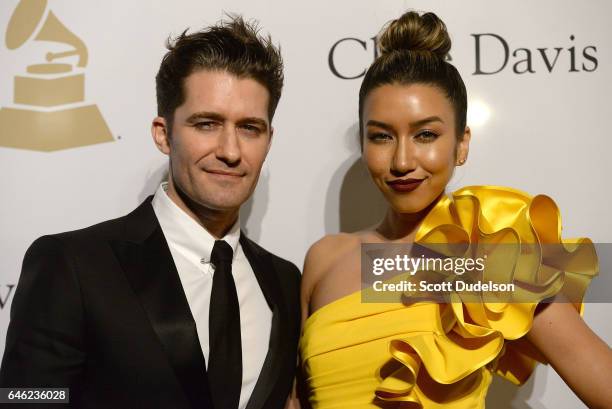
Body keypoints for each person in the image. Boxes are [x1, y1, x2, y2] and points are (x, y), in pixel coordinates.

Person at [298, 10, 612, 409]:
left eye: (425, 134)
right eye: (381, 136)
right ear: (363, 144)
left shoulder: (489, 255)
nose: (401, 160)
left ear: (461, 144)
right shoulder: (324, 259)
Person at [0, 16, 301, 409]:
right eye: (207, 124)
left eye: (249, 128)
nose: (230, 150)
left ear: (268, 139)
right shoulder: (75, 265)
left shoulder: (283, 281)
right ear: (163, 133)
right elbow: (26, 400)